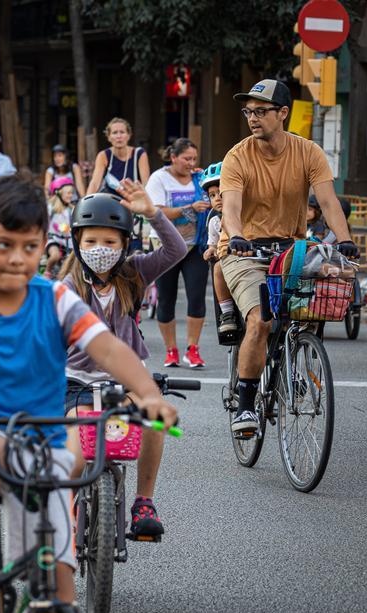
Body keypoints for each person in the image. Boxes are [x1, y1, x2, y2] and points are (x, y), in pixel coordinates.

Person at [0, 177, 177, 613]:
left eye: (28, 247)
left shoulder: (57, 298)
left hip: (40, 433)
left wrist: (148, 394)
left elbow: (109, 349)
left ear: (43, 245)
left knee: (58, 598)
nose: (16, 258)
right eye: (3, 245)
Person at [219, 79, 355, 437]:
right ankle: (246, 403)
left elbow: (328, 202)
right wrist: (236, 237)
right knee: (261, 321)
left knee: (317, 302)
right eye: (248, 111)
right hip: (244, 250)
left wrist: (345, 241)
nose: (252, 117)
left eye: (261, 111)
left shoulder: (308, 152)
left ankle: (292, 362)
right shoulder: (238, 155)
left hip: (292, 249)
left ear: (283, 113)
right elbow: (231, 208)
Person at [62, 187, 186, 539]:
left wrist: (154, 214)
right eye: (91, 241)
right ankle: (69, 505)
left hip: (128, 380)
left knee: (153, 419)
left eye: (110, 242)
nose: (100, 249)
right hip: (75, 383)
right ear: (77, 243)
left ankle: (143, 502)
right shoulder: (66, 288)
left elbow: (176, 250)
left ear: (125, 245)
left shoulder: (134, 275)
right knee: (73, 437)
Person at [145, 138, 210, 368]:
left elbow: (215, 197)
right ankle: (171, 350)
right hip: (166, 247)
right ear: (173, 157)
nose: (191, 163)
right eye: (186, 158)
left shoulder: (199, 178)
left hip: (195, 245)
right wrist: (189, 208)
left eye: (194, 158)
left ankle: (193, 350)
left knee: (196, 297)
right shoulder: (159, 178)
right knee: (166, 300)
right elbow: (157, 212)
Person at [199, 163, 238, 341]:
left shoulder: (244, 212)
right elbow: (213, 243)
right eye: (212, 196)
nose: (217, 198)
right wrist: (211, 250)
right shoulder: (214, 220)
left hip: (252, 256)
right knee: (218, 268)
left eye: (220, 192)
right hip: (228, 260)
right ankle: (228, 313)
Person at [86, 118, 150, 197]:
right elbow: (95, 183)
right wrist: (86, 202)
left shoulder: (139, 154)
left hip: (134, 201)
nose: (119, 136)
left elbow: (146, 184)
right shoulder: (103, 155)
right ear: (109, 137)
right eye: (115, 133)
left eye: (122, 132)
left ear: (128, 136)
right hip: (110, 201)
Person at [44, 176, 76, 277]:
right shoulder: (51, 208)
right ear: (58, 193)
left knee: (73, 261)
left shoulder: (71, 209)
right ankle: (47, 272)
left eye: (72, 193)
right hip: (53, 238)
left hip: (68, 240)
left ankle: (62, 277)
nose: (71, 195)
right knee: (55, 255)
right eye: (68, 193)